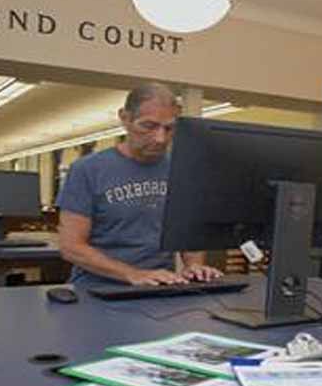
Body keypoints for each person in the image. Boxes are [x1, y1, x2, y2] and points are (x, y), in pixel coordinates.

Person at [56, 82, 223, 286]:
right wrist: (132, 274)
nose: (161, 139)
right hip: (96, 291)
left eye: (169, 128)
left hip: (156, 288)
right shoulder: (87, 170)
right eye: (148, 126)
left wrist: (194, 265)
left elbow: (187, 235)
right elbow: (71, 246)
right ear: (125, 118)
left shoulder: (181, 170)